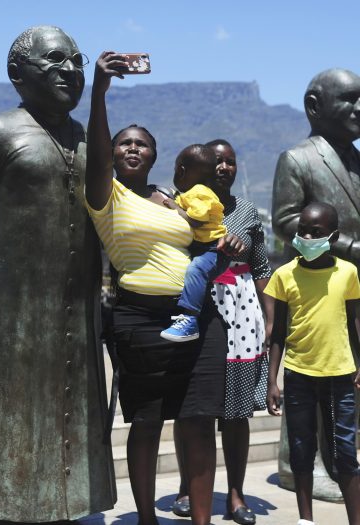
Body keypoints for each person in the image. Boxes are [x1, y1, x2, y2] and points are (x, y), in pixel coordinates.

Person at [0, 26, 116, 524]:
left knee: (72, 399)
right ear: (17, 73)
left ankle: (65, 500)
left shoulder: (84, 138)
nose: (70, 71)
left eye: (78, 62)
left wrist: (101, 93)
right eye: (56, 59)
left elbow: (103, 200)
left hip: (75, 302)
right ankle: (2, 501)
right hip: (12, 310)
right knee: (11, 404)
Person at [84, 50, 243, 525]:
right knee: (148, 423)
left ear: (156, 156)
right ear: (112, 153)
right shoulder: (104, 194)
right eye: (124, 144)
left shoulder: (173, 200)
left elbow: (204, 245)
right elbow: (93, 150)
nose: (133, 149)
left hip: (197, 318)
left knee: (198, 422)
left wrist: (227, 244)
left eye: (143, 145)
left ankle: (200, 520)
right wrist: (99, 92)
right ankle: (147, 520)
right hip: (139, 320)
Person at [172, 139, 272, 524]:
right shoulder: (183, 203)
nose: (224, 167)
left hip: (242, 314)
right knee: (192, 409)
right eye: (217, 161)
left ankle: (235, 495)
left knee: (236, 413)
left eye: (230, 161)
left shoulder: (247, 211)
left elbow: (262, 267)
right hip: (198, 310)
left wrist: (270, 321)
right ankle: (185, 487)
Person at [272, 68, 360, 499]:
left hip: (350, 287)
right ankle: (297, 465)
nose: (359, 108)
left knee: (348, 372)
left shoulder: (357, 158)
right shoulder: (298, 159)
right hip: (314, 286)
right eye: (348, 99)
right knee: (308, 373)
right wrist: (349, 246)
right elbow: (285, 220)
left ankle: (343, 457)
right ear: (314, 106)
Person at [265, 202, 360, 525]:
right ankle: (306, 519)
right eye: (302, 229)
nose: (306, 236)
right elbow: (277, 332)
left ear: (332, 237)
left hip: (339, 376)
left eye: (315, 232)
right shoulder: (283, 275)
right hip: (298, 375)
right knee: (302, 450)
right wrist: (272, 381)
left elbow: (354, 321)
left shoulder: (347, 273)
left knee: (344, 453)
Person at [160, 144, 228, 342]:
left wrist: (175, 207)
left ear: (180, 170)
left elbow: (197, 220)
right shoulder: (192, 193)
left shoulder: (200, 193)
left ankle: (189, 319)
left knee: (196, 269)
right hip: (204, 247)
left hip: (213, 249)